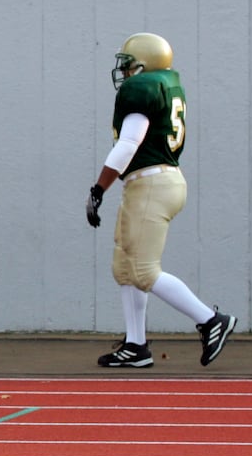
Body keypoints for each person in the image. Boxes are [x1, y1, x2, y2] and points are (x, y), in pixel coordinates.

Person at [87, 32, 237, 368]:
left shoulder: (141, 88)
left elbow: (128, 144)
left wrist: (99, 188)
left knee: (142, 270)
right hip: (155, 182)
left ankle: (211, 320)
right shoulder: (166, 84)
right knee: (125, 268)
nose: (124, 72)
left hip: (152, 183)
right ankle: (135, 345)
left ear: (143, 64)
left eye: (128, 65)